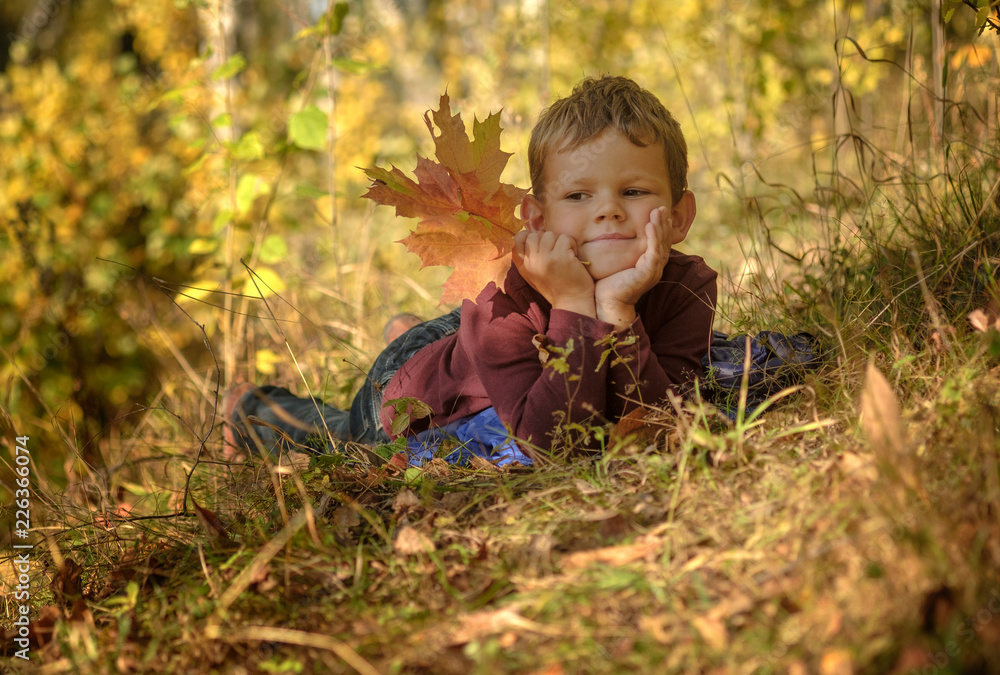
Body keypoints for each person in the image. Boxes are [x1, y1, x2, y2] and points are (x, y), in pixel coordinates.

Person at [225, 75, 717, 466]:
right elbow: (554, 447)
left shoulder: (688, 286)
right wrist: (572, 305)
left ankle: (432, 342)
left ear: (678, 216)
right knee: (339, 440)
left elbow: (652, 424)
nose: (608, 210)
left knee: (460, 348)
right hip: (411, 399)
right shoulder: (502, 293)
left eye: (633, 192)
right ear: (538, 218)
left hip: (469, 347)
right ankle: (249, 409)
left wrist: (617, 310)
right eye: (578, 195)